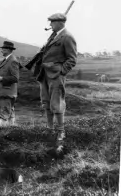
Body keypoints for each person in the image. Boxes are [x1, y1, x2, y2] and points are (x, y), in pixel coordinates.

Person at [25, 12, 77, 152]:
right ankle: (50, 128)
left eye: (52, 22)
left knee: (57, 103)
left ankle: (61, 131)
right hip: (44, 74)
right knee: (46, 102)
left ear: (60, 23)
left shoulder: (67, 37)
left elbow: (72, 59)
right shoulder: (53, 36)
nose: (50, 25)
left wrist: (61, 71)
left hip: (55, 75)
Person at [0, 40, 20, 125]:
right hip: (5, 92)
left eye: (3, 49)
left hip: (7, 92)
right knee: (10, 113)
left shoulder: (12, 61)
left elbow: (15, 78)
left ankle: (2, 133)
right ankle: (11, 131)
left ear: (8, 50)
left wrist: (1, 78)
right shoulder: (7, 60)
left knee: (4, 114)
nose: (1, 50)